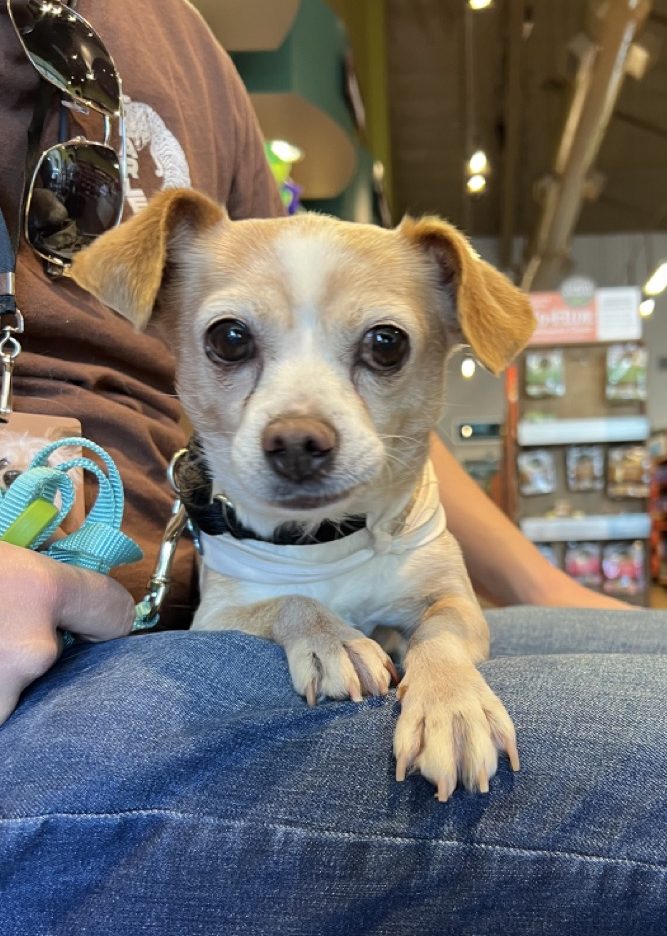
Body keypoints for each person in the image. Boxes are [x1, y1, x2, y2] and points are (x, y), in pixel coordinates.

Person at [0, 2, 665, 933]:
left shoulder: (177, 37)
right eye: (233, 341)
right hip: (110, 647)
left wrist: (529, 587)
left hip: (247, 578)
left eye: (382, 348)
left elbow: (444, 592)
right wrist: (298, 615)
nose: (299, 425)